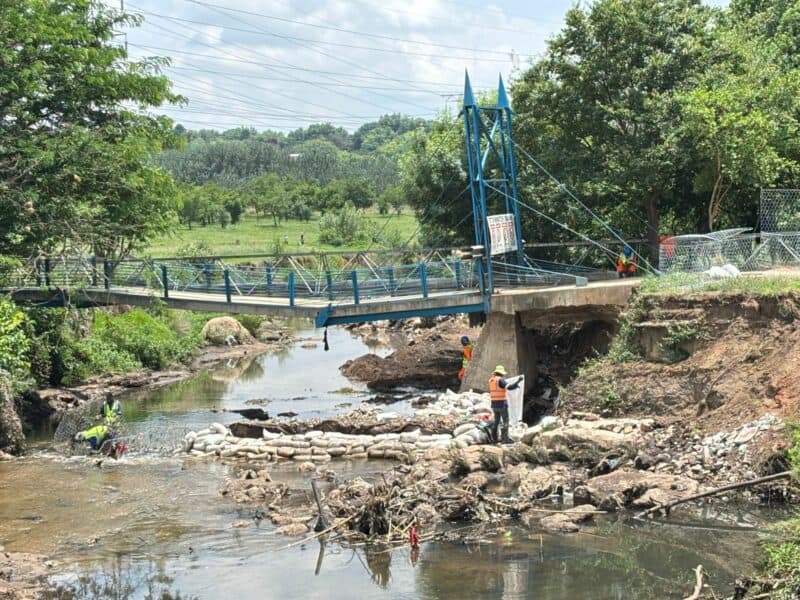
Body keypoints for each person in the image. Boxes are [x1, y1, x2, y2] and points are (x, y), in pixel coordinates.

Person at [488, 365, 521, 444]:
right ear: (501, 373)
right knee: (505, 421)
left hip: (494, 404)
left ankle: (494, 439)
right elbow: (510, 387)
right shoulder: (500, 380)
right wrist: (518, 381)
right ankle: (505, 439)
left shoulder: (491, 380)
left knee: (496, 422)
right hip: (502, 404)